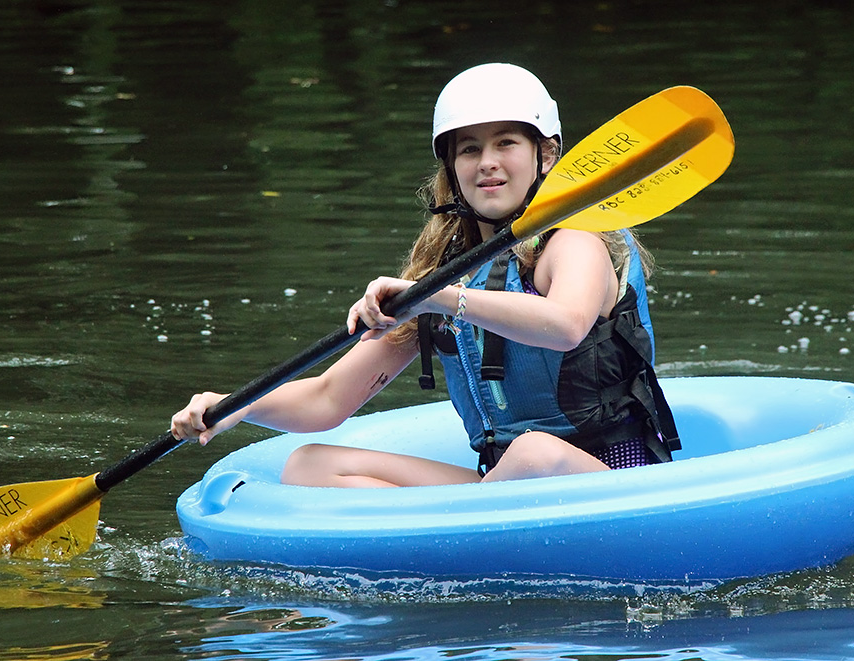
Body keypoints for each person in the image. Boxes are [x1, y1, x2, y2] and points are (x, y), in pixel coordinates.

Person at [170, 63, 679, 487]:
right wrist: (235, 406)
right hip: (501, 487)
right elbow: (326, 401)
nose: (488, 163)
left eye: (506, 143)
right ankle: (446, 551)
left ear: (545, 154)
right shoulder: (446, 273)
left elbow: (566, 324)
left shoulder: (577, 241)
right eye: (469, 149)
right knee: (311, 464)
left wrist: (440, 298)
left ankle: (455, 543)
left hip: (613, 482)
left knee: (535, 454)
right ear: (451, 167)